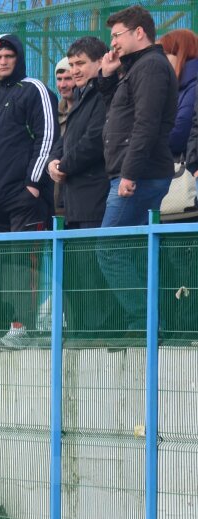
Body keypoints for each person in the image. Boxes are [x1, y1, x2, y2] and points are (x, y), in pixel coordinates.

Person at [0, 34, 58, 349]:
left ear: (18, 58)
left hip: (24, 199)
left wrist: (33, 184)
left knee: (25, 264)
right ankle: (10, 326)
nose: (3, 62)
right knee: (2, 268)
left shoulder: (34, 90)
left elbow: (47, 135)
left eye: (9, 56)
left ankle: (25, 329)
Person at [93, 5, 178, 330]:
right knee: (134, 249)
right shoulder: (137, 67)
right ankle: (154, 320)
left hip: (138, 175)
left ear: (138, 32)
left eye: (117, 35)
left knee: (110, 250)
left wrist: (129, 172)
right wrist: (108, 75)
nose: (112, 43)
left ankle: (144, 319)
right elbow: (120, 112)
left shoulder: (151, 67)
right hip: (134, 172)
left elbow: (145, 124)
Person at [49, 37, 112, 229]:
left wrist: (62, 166)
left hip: (95, 196)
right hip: (75, 200)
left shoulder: (103, 94)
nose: (74, 70)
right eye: (72, 64)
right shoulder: (81, 95)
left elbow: (93, 140)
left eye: (80, 63)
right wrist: (52, 161)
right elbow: (67, 137)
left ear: (101, 61)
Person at [159, 28, 198, 163]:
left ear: (180, 53)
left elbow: (179, 135)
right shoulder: (182, 85)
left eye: (163, 55)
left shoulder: (192, 86)